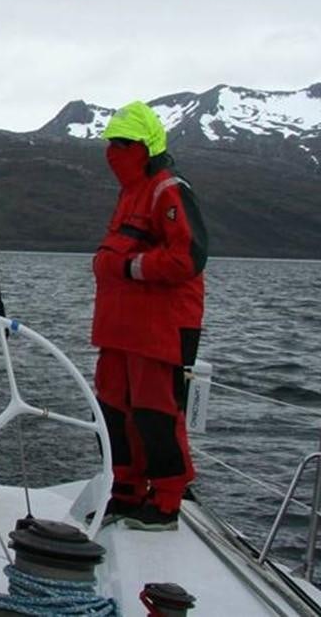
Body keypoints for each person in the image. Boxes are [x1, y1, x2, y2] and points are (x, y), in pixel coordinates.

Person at [91, 101, 208, 531]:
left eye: (122, 143)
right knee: (112, 409)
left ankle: (167, 501)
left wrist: (129, 267)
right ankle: (125, 490)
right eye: (110, 143)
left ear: (144, 146)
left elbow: (189, 256)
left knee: (156, 413)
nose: (113, 152)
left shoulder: (167, 189)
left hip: (159, 329)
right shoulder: (131, 193)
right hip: (120, 329)